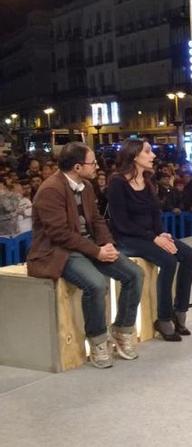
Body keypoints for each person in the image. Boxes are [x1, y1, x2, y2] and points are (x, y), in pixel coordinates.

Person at [26, 142, 144, 369]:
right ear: (77, 167)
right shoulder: (51, 190)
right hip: (59, 251)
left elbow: (97, 220)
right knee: (96, 284)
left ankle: (122, 329)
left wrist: (107, 245)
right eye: (93, 162)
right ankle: (98, 340)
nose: (97, 166)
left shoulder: (87, 187)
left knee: (134, 274)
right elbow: (59, 234)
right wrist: (96, 251)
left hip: (88, 246)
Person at [106, 139, 192, 342]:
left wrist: (162, 234)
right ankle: (163, 318)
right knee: (168, 261)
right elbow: (121, 223)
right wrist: (153, 238)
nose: (153, 155)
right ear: (134, 155)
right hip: (128, 238)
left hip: (150, 235)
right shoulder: (117, 183)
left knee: (189, 255)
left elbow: (155, 214)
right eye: (148, 152)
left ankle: (180, 311)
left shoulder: (147, 182)